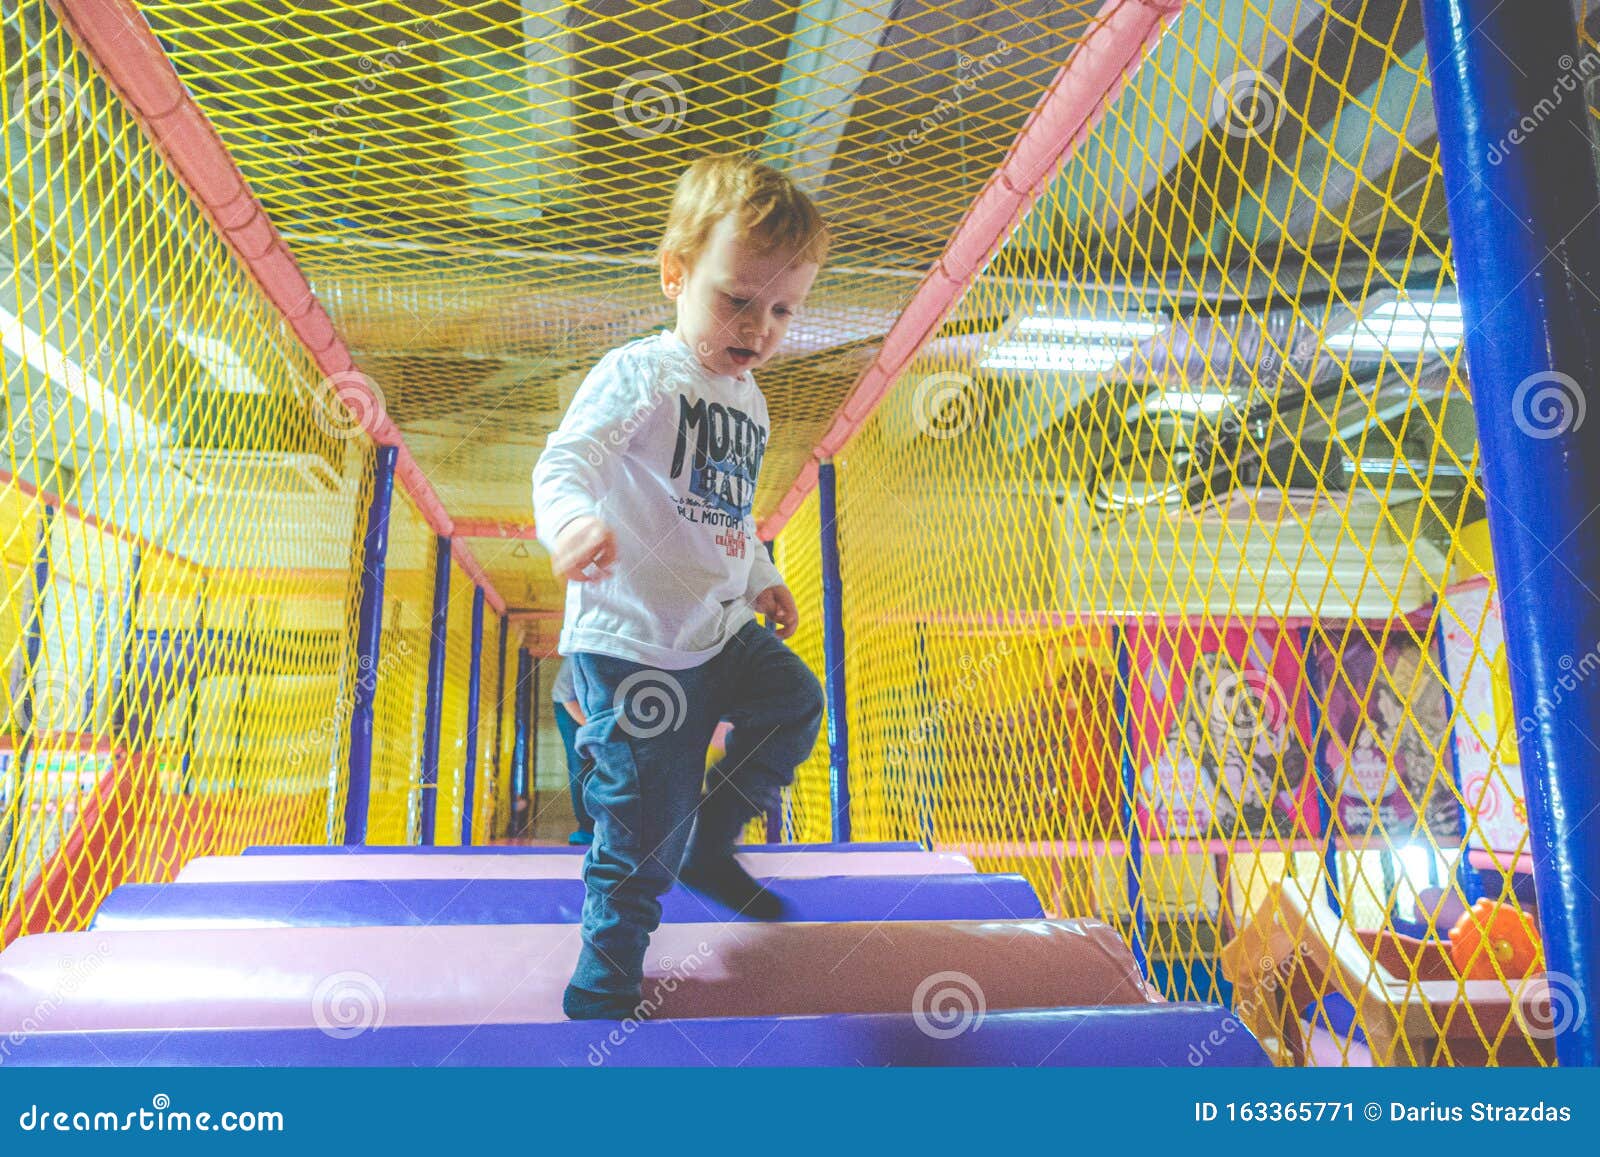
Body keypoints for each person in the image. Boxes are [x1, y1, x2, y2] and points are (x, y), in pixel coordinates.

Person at [532, 154, 827, 1020]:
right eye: (737, 299)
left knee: (796, 701)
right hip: (634, 639)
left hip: (716, 627)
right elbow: (566, 461)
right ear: (675, 275)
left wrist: (763, 574)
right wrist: (571, 524)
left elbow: (729, 509)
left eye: (782, 310)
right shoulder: (643, 375)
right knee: (641, 829)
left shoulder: (751, 402)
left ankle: (713, 839)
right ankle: (606, 976)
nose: (759, 327)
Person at [550, 657, 594, 845]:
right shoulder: (580, 653)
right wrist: (592, 726)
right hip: (569, 703)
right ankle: (587, 829)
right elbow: (564, 693)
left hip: (599, 702)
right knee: (580, 762)